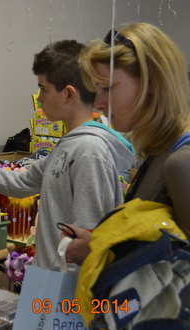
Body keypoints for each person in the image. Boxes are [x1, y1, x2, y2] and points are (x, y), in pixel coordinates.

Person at [0, 40, 136, 270]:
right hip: (49, 278)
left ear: (69, 94)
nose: (39, 98)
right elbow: (19, 183)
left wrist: (59, 291)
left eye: (44, 89)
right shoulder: (68, 145)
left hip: (65, 287)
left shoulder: (89, 152)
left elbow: (87, 245)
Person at [64, 22, 190, 264]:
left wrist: (100, 256)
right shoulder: (159, 151)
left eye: (107, 88)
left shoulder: (181, 162)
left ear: (151, 83)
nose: (98, 104)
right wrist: (100, 245)